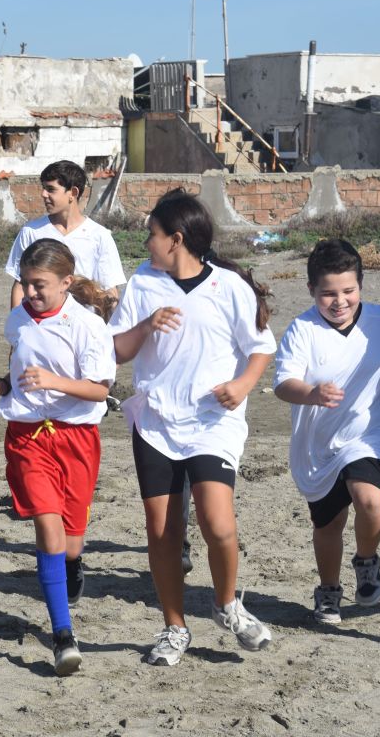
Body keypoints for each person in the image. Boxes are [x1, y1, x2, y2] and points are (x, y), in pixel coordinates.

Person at [110, 189, 276, 667]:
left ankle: (228, 605)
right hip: (155, 420)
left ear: (176, 239)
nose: (147, 243)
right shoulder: (142, 284)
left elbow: (260, 346)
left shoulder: (229, 286)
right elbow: (116, 350)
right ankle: (173, 626)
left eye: (153, 235)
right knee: (162, 531)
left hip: (212, 422)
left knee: (217, 523)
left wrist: (244, 384)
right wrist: (145, 327)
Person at [0, 238, 116, 676]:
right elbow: (18, 372)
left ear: (66, 283)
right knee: (47, 524)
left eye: (40, 286)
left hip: (76, 440)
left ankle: (72, 567)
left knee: (70, 544)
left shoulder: (89, 326)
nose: (30, 294)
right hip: (27, 438)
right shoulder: (18, 319)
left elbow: (100, 390)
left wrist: (54, 381)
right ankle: (63, 634)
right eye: (26, 284)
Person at [273, 239, 380, 625]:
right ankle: (329, 591)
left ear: (361, 286)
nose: (339, 301)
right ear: (311, 291)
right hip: (317, 446)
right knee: (328, 524)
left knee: (370, 501)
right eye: (328, 294)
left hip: (370, 435)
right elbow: (283, 385)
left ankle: (367, 559)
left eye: (348, 291)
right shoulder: (302, 330)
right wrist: (311, 393)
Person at [5, 160, 126, 310]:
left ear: (73, 193)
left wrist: (109, 329)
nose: (43, 194)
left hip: (83, 326)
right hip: (40, 325)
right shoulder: (31, 232)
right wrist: (16, 325)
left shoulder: (99, 236)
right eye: (43, 188)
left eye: (51, 189)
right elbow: (19, 285)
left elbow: (110, 291)